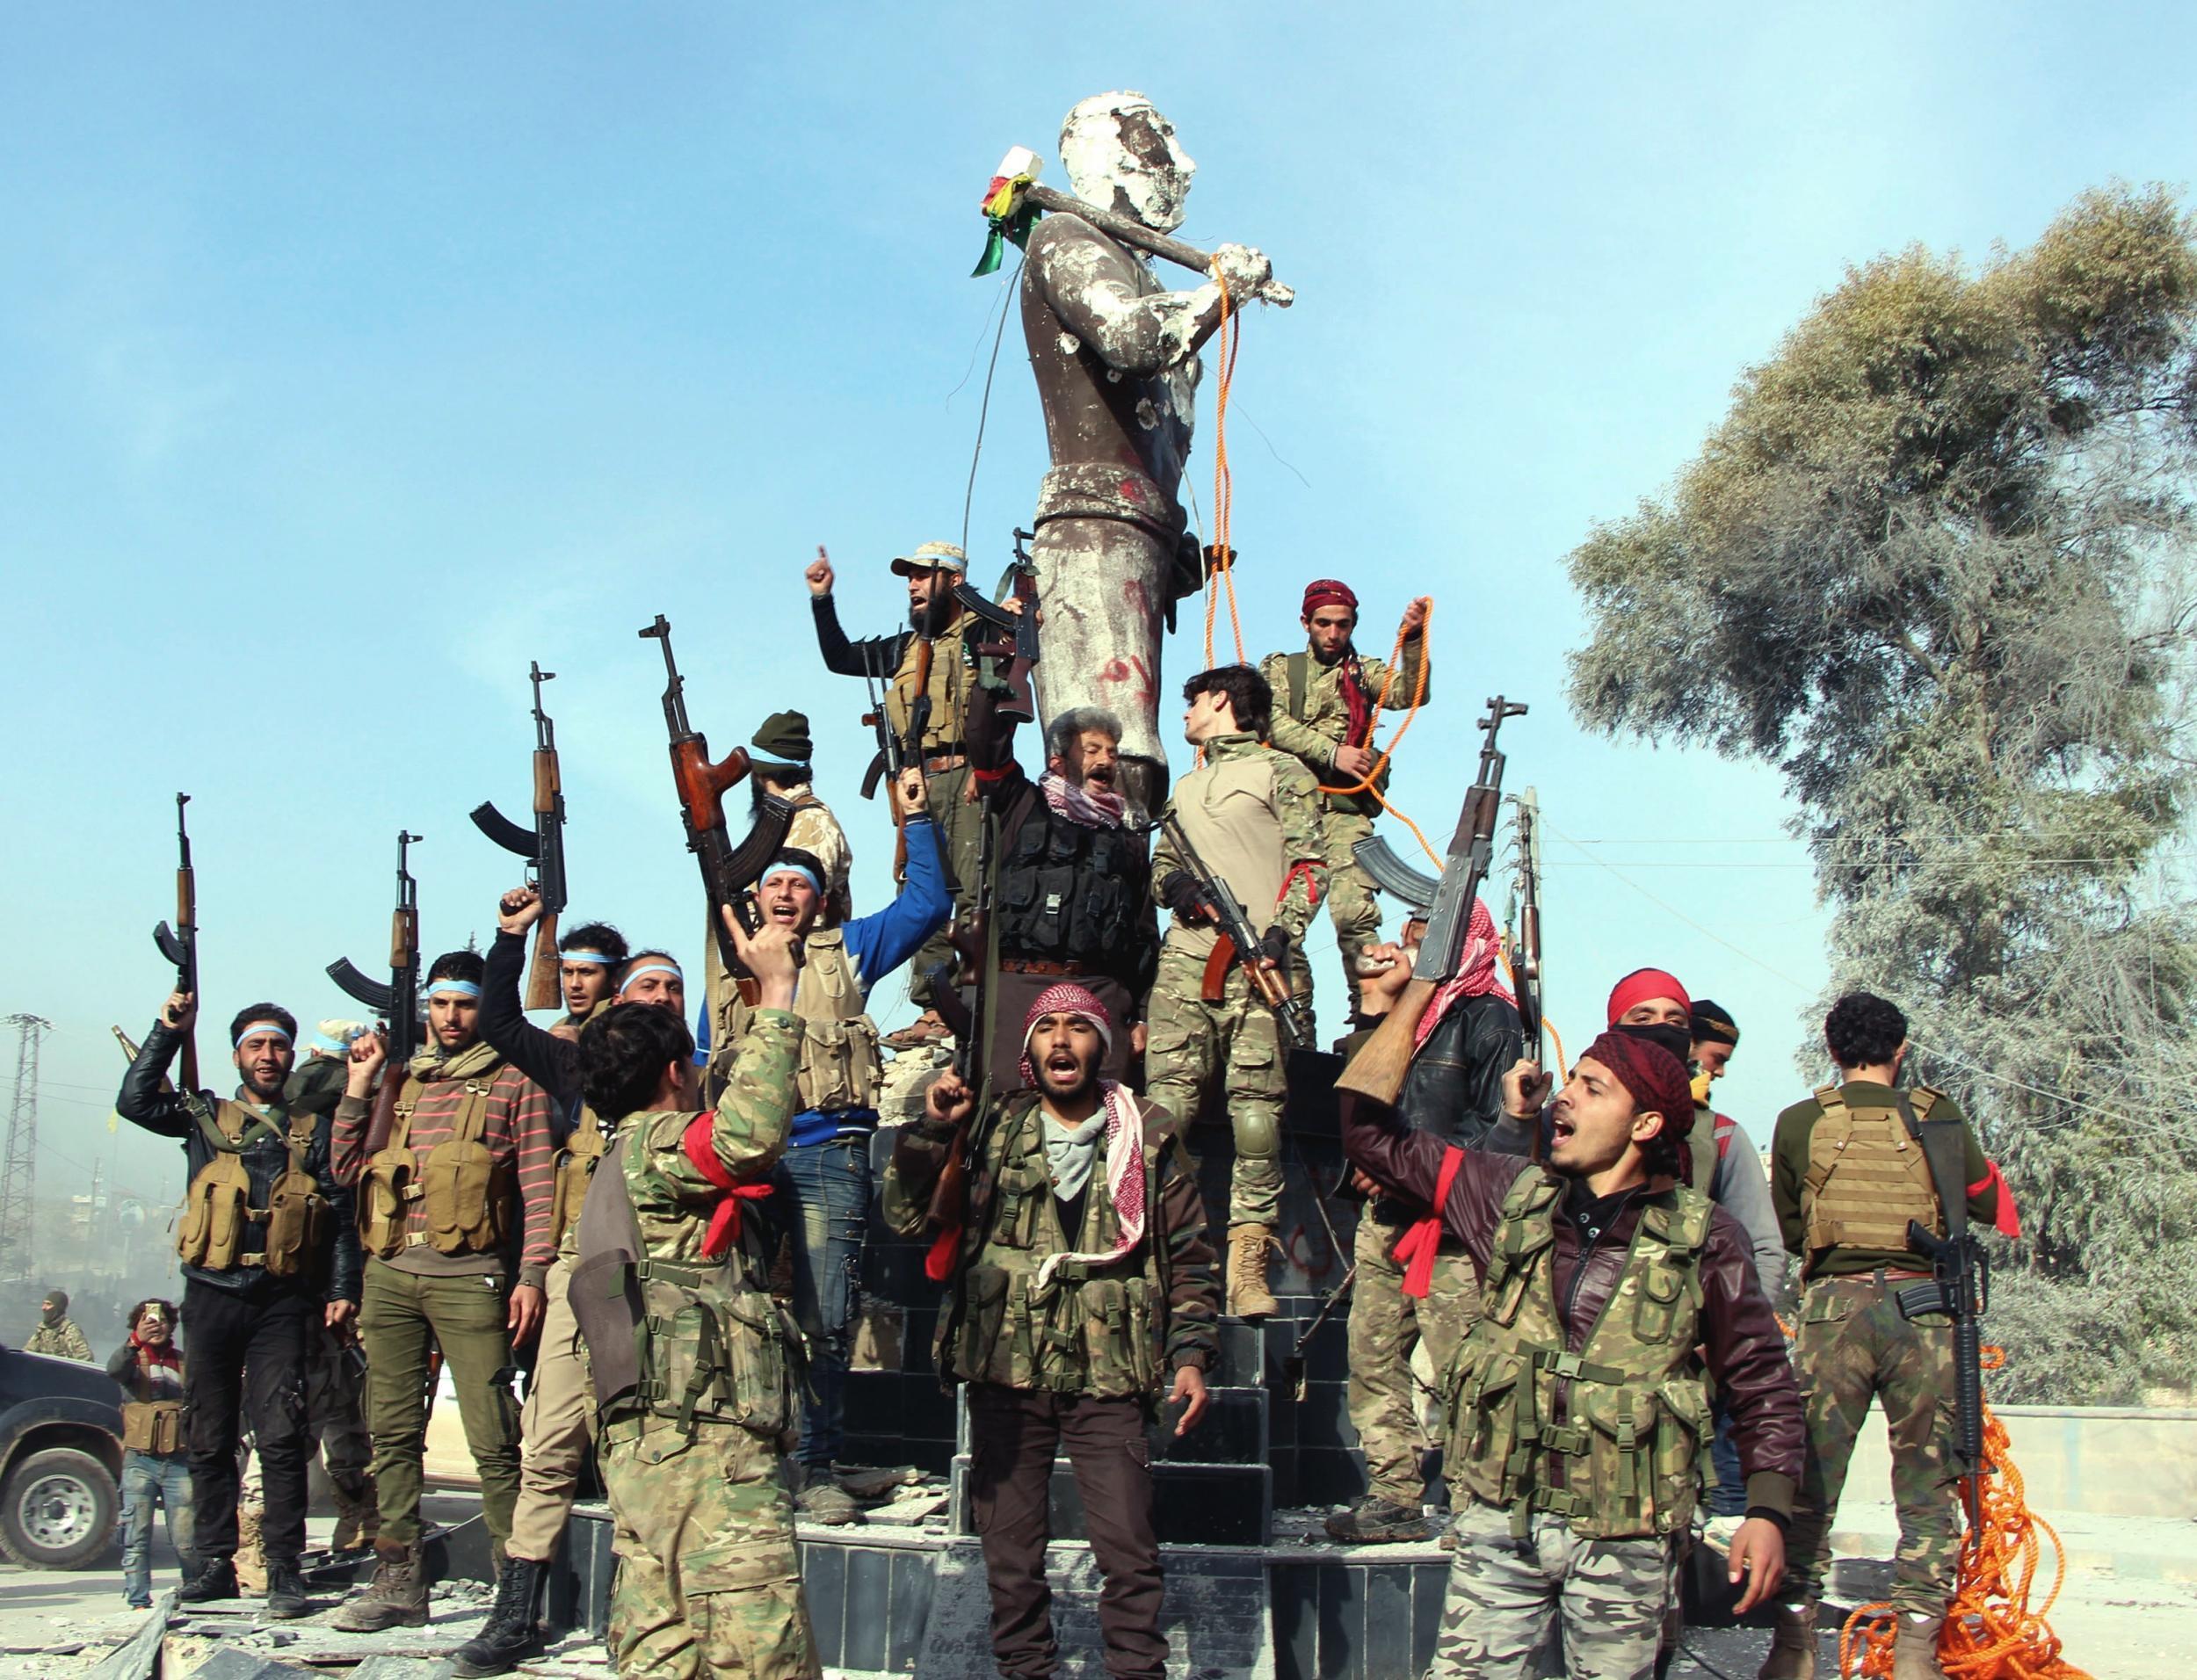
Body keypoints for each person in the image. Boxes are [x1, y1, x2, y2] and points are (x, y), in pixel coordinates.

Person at [1344, 1027, 1802, 1680]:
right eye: (1573, 1081)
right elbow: (1370, 1139)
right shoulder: (1503, 1195)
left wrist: (1766, 1509)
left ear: (1644, 1123)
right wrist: (1419, 994)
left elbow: (1759, 1378)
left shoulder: (1706, 1239)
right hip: (1502, 1524)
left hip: (1626, 1540)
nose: (1567, 1098)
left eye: (1594, 1088)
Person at [881, 984, 1220, 1680]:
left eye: (1078, 1028)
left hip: (1110, 1373)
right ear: (1029, 1048)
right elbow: (907, 1219)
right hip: (1006, 1366)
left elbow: (1188, 1254)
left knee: (1128, 1548)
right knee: (1009, 1553)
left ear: (1103, 1044)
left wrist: (1189, 1355)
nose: (1062, 1041)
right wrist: (932, 1131)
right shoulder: (990, 1129)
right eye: (1047, 1029)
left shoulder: (1147, 1132)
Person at [571, 914, 821, 1679]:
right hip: (704, 1446)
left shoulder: (616, 1160)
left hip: (649, 1447)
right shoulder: (657, 1146)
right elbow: (745, 1134)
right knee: (756, 1644)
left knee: (663, 1646)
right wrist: (778, 993)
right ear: (676, 1074)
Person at [695, 767, 947, 1524]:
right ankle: (742, 1459)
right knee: (731, 1312)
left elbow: (928, 905)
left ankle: (816, 1465)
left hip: (828, 1152)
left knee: (826, 1318)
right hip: (744, 1158)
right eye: (773, 882)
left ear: (820, 898)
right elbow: (709, 1062)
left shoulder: (851, 949)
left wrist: (919, 820)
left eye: (800, 885)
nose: (784, 894)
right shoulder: (729, 965)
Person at [1019, 90, 1278, 807]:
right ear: (1110, 151)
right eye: (1159, 141)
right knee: (1106, 750)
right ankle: (1084, 911)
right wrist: (1215, 295)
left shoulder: (1138, 269)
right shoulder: (1067, 238)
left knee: (1144, 757)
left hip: (1146, 537)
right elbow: (1132, 339)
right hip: (1093, 531)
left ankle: (1122, 907)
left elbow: (1169, 429)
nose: (1182, 165)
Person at [460, 916, 696, 1676]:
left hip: (670, 1287)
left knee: (659, 1450)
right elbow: (497, 1022)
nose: (663, 997)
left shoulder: (706, 1081)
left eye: (674, 986)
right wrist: (510, 939)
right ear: (622, 998)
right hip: (578, 1277)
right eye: (648, 986)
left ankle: (654, 1612)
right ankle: (515, 1608)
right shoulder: (579, 1070)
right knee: (550, 1442)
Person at [1762, 992, 2012, 1680]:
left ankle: (1792, 1649)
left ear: (1833, 1050)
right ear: (1901, 1050)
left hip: (1830, 1313)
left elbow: (1790, 1228)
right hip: (1924, 1309)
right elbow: (1986, 1203)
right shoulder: (1937, 1115)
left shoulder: (1800, 1121)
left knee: (1809, 1484)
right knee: (1929, 1488)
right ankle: (1916, 1655)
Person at [330, 951, 556, 1633]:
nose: (452, 1019)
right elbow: (345, 1169)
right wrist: (361, 1085)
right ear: (425, 1008)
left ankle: (515, 1593)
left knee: (494, 1440)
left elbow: (538, 1191)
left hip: (470, 1277)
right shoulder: (405, 1081)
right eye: (441, 1004)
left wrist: (532, 1276)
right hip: (392, 1274)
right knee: (392, 1433)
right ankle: (398, 1578)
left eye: (464, 1005)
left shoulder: (516, 1083)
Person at [117, 1000, 361, 1619]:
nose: (269, 1057)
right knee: (208, 1437)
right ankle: (213, 1566)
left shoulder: (313, 1127)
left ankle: (284, 1571)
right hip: (211, 1293)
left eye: (279, 1046)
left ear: (290, 1054)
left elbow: (336, 1213)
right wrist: (167, 1031)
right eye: (256, 1046)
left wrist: (340, 1290)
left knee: (281, 1436)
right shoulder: (204, 1117)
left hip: (282, 1301)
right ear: (237, 1057)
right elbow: (135, 1102)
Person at [1327, 904, 1521, 1546]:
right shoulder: (1400, 1020)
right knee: (1372, 1358)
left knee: (1463, 1371)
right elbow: (1361, 1100)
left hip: (1450, 1229)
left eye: (1428, 943)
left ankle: (1473, 1505)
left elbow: (1497, 1131)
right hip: (1385, 1221)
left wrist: (1404, 1168)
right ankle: (1394, 1493)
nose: (1413, 954)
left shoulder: (1490, 1018)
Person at [1142, 663, 1325, 1318]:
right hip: (1189, 961)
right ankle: (1167, 1252)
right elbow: (1163, 865)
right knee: (1162, 1116)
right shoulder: (1184, 790)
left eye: (1193, 702)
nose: (1186, 713)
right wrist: (1181, 891)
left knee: (1255, 1118)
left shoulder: (1284, 773)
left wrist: (1281, 935)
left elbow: (1310, 865)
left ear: (1220, 700)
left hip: (1259, 966)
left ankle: (1248, 1265)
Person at [806, 539, 984, 1045]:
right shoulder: (907, 649)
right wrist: (823, 599)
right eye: (908, 577)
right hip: (917, 783)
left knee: (972, 893)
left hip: (968, 775)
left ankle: (975, 1002)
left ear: (953, 580)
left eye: (922, 575)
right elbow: (840, 658)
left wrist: (988, 769)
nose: (911, 585)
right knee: (924, 892)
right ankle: (935, 1008)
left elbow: (1006, 700)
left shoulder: (985, 632)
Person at [964, 682, 1159, 1090]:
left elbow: (1144, 935)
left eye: (1111, 752)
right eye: (1091, 751)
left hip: (1101, 994)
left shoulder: (1130, 836)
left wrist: (1142, 1015)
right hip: (1018, 990)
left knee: (1105, 1127)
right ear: (1058, 762)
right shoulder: (1021, 804)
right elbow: (985, 743)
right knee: (1005, 1121)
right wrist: (996, 671)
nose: (1106, 760)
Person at [1259, 581, 1432, 1019]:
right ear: (1306, 623)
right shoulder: (1281, 670)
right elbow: (1268, 721)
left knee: (1355, 916)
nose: (1333, 633)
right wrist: (1332, 752)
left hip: (1344, 813)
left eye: (1343, 624)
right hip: (1289, 811)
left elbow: (1410, 695)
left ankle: (1369, 1015)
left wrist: (1412, 639)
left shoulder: (1362, 672)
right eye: (1324, 624)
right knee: (1280, 923)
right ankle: (1292, 1019)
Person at [1686, 997, 1788, 1532]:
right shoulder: (1592, 1127)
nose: (1718, 1071)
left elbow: (1765, 1248)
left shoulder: (1723, 1136)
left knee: (1722, 1499)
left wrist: (1736, 1336)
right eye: (1715, 1056)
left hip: (1706, 1357)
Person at [284, 1019, 380, 1550]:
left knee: (338, 1416)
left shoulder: (309, 1103)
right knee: (328, 1416)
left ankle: (355, 1523)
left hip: (349, 1288)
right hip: (331, 1293)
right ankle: (271, 1537)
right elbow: (341, 1208)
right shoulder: (316, 1115)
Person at [107, 1299, 192, 1608]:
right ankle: (138, 1599)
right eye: (148, 1320)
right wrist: (135, 1341)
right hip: (139, 1461)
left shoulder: (185, 1363)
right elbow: (114, 1369)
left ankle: (195, 1593)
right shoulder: (131, 1360)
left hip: (179, 1461)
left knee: (186, 1540)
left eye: (162, 1320)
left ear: (172, 1325)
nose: (156, 1326)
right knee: (136, 1536)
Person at [553, 923, 631, 1039]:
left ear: (615, 978)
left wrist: (579, 1047)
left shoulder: (629, 1025)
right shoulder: (560, 1026)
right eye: (568, 972)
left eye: (586, 972)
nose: (575, 984)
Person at [26, 1289, 92, 1360]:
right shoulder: (43, 1328)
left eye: (48, 1304)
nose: (43, 1308)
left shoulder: (69, 1330)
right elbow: (29, 1352)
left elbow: (85, 1359)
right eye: (44, 1304)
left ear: (58, 1307)